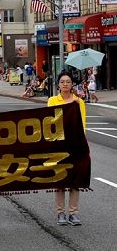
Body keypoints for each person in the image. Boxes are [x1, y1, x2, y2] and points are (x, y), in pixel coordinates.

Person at [47, 72, 86, 226]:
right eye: (62, 82)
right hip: (58, 145)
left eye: (68, 82)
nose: (65, 84)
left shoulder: (79, 102)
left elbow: (82, 124)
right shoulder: (52, 100)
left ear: (72, 85)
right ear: (58, 84)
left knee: (75, 181)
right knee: (60, 180)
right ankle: (60, 213)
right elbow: (49, 121)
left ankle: (74, 213)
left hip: (75, 144)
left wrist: (83, 144)